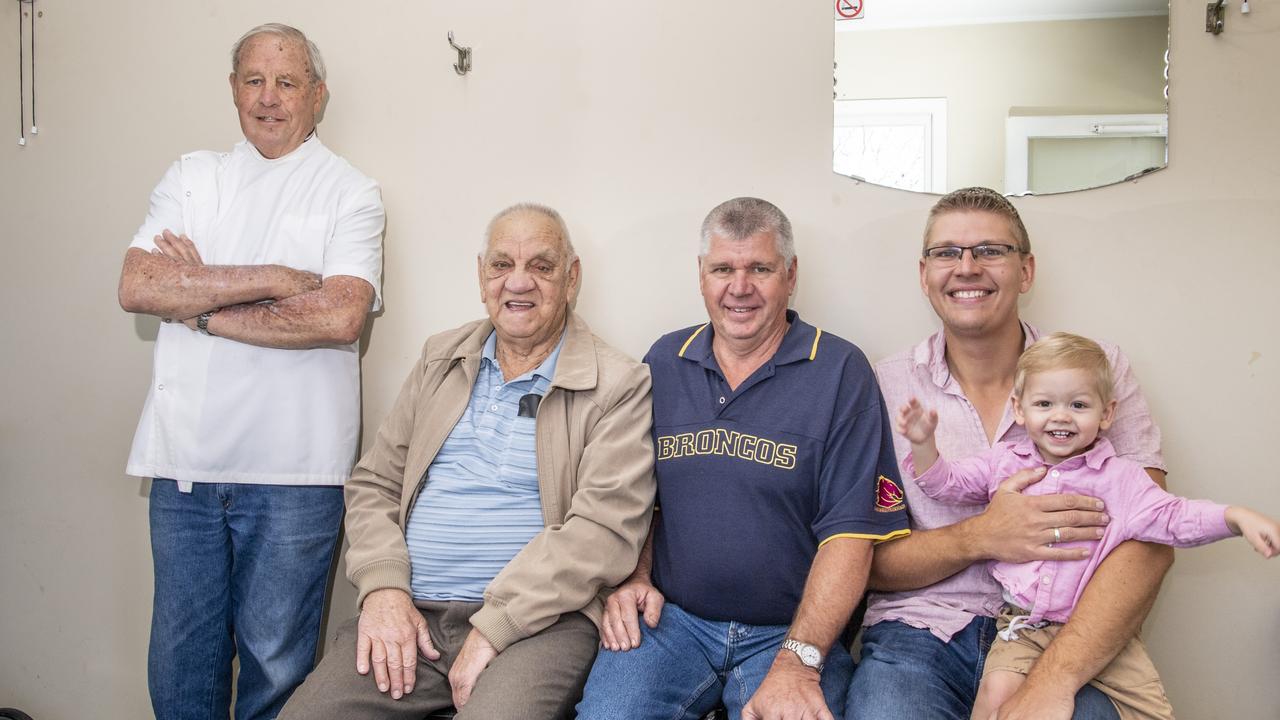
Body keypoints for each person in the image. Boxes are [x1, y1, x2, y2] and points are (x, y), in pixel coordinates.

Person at [279, 203, 656, 720]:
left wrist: (495, 626)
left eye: (541, 267)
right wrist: (385, 590)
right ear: (482, 277)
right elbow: (374, 486)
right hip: (412, 612)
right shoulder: (441, 358)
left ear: (572, 279)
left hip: (539, 624)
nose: (517, 283)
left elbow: (604, 530)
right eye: (502, 265)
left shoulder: (617, 382)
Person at [117, 23, 384, 720]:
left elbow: (338, 317)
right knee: (181, 666)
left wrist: (201, 300)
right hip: (185, 467)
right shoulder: (191, 175)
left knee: (278, 673)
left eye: (287, 81)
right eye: (254, 80)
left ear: (317, 95)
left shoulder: (351, 192)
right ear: (234, 89)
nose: (269, 98)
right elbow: (140, 284)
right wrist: (273, 277)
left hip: (294, 477)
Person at [576, 197, 910, 720]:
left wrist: (800, 661)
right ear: (701, 276)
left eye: (760, 268)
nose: (740, 287)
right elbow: (637, 497)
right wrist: (635, 576)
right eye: (723, 269)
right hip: (673, 624)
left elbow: (851, 535)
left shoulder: (840, 370)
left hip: (789, 633)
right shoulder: (666, 359)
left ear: (791, 274)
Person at [847, 186, 1174, 720]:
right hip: (922, 631)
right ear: (924, 273)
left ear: (1026, 271)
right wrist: (983, 536)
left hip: (1066, 631)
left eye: (990, 251)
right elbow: (860, 560)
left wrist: (1055, 678)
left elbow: (1152, 540)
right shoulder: (881, 386)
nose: (967, 267)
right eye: (947, 252)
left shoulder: (1100, 370)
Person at [896, 332, 1280, 720]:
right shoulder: (1005, 462)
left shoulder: (1122, 480)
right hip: (1023, 624)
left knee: (1152, 712)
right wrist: (924, 445)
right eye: (1044, 403)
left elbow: (1174, 518)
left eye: (1078, 404)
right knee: (994, 701)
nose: (1061, 416)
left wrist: (1235, 517)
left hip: (1092, 632)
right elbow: (946, 484)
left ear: (1107, 413)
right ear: (1020, 408)